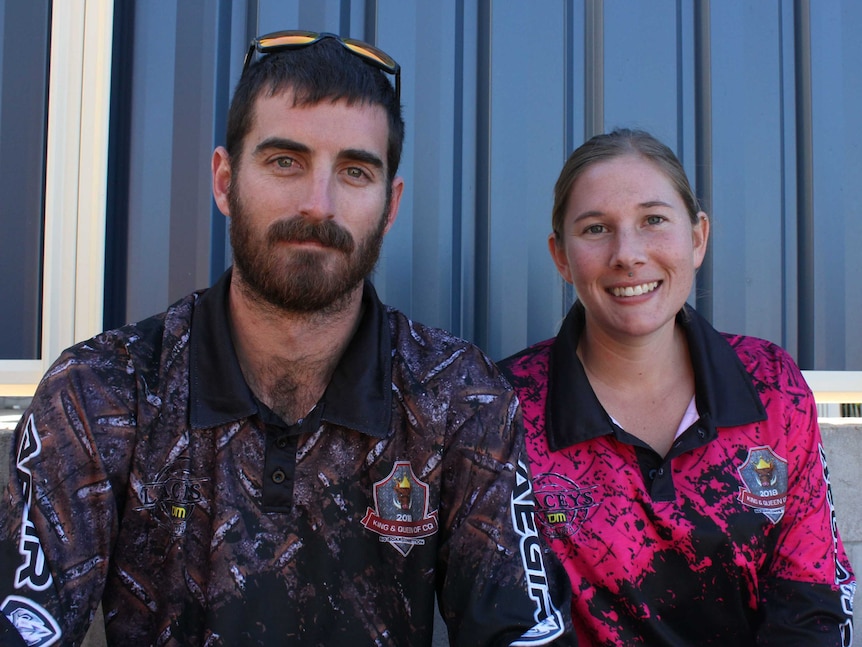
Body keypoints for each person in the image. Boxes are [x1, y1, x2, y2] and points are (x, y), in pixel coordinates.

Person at [0, 31, 575, 647]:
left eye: (355, 171)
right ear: (224, 181)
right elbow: (24, 623)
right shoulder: (102, 392)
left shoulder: (460, 398)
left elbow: (521, 629)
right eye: (285, 162)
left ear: (389, 205)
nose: (317, 203)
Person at [499, 129, 856, 646]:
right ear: (561, 256)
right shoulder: (504, 407)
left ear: (696, 238)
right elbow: (511, 620)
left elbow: (814, 597)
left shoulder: (772, 385)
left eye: (653, 220)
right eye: (596, 228)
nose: (628, 253)